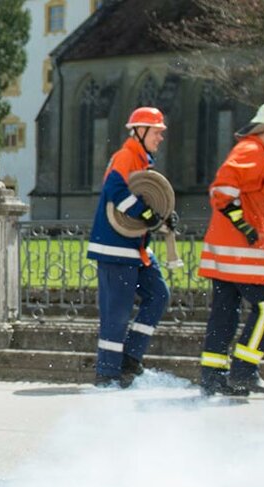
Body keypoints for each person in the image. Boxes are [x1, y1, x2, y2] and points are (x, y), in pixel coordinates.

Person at [196, 103, 264, 396]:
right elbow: (223, 190)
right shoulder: (252, 150)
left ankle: (213, 378)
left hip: (227, 250)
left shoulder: (253, 151)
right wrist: (246, 227)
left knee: (225, 312)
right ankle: (243, 371)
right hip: (241, 252)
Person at [85, 107, 173, 389]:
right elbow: (115, 190)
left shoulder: (142, 160)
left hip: (136, 250)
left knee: (158, 295)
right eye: (157, 132)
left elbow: (143, 199)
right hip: (115, 249)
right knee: (117, 313)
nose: (160, 137)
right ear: (140, 131)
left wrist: (162, 214)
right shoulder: (126, 156)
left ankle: (130, 358)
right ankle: (108, 374)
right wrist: (145, 213)